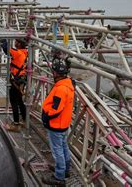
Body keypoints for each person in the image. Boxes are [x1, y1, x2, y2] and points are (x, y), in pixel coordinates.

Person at [41, 56, 75, 186]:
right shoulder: (67, 84)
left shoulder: (61, 89)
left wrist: (46, 116)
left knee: (57, 151)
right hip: (63, 124)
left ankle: (59, 177)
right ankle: (65, 170)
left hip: (56, 125)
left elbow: (56, 109)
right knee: (64, 147)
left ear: (56, 73)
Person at [0, 38, 28, 132]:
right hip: (21, 80)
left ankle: (16, 124)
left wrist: (4, 40)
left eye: (16, 42)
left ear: (19, 44)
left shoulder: (18, 53)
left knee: (14, 102)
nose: (15, 43)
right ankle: (24, 120)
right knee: (20, 101)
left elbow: (5, 48)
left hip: (15, 81)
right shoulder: (25, 52)